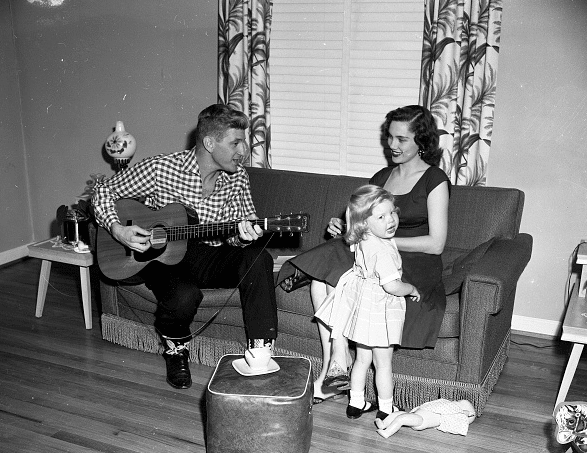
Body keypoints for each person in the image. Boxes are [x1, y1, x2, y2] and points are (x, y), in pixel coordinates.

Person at [92, 104, 278, 389]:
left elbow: (239, 232)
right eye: (236, 142)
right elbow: (103, 189)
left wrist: (245, 234)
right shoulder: (161, 168)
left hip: (208, 256)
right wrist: (118, 230)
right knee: (183, 297)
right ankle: (175, 347)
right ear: (209, 142)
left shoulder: (238, 177)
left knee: (257, 257)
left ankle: (261, 351)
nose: (244, 151)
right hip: (164, 257)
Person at [277, 105, 450, 403]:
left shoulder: (435, 179)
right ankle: (335, 365)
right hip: (374, 254)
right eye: (389, 137)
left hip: (412, 261)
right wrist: (346, 226)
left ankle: (334, 371)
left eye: (401, 139)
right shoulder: (383, 176)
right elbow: (364, 219)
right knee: (324, 277)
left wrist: (379, 243)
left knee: (336, 276)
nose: (392, 145)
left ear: (421, 141)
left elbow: (436, 243)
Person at [315, 185, 420, 420]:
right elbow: (392, 286)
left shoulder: (363, 238)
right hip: (379, 311)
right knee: (383, 365)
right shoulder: (383, 251)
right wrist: (410, 288)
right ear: (364, 222)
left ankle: (356, 403)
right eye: (381, 217)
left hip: (363, 309)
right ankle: (386, 409)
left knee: (363, 359)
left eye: (392, 212)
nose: (391, 220)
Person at [374, 399, 476, 438]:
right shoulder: (446, 406)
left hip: (421, 420)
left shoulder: (454, 412)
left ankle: (387, 432)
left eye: (459, 402)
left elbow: (461, 413)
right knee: (398, 413)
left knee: (402, 418)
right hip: (417, 414)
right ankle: (384, 424)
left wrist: (466, 413)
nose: (455, 401)